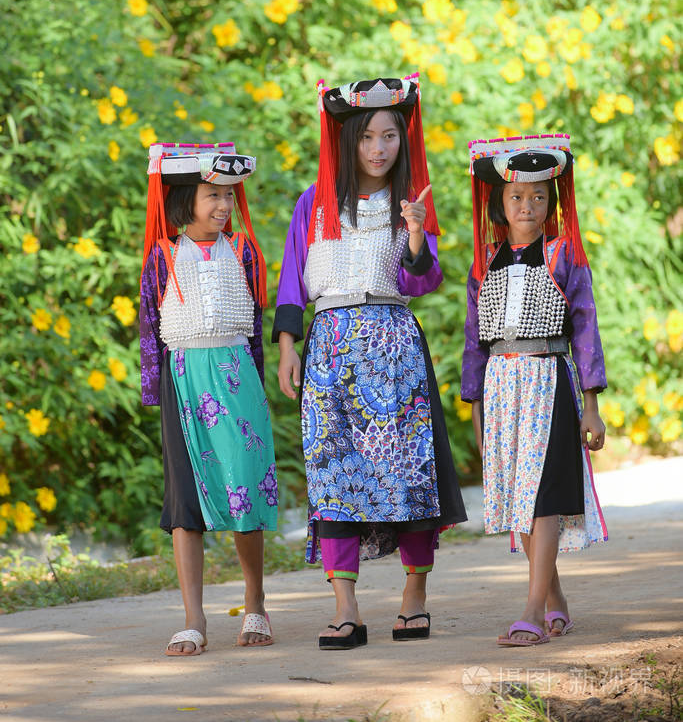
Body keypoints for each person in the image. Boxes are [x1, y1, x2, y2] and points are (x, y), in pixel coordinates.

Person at [274, 75, 466, 650]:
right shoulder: (313, 203)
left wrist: (413, 234)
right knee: (333, 476)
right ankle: (346, 608)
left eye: (390, 136)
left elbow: (424, 279)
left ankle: (414, 598)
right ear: (347, 141)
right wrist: (288, 346)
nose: (379, 148)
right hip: (329, 348)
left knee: (408, 476)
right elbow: (290, 282)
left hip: (394, 348)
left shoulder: (410, 206)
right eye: (367, 137)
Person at [461, 133, 608, 647]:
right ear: (499, 203)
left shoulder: (564, 253)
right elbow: (473, 341)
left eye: (539, 195)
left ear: (553, 200)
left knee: (542, 494)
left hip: (548, 381)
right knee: (518, 502)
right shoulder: (486, 261)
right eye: (517, 196)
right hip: (502, 388)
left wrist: (591, 405)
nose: (528, 205)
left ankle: (529, 609)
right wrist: (475, 407)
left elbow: (585, 327)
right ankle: (554, 599)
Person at [139, 142, 277, 656]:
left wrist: (258, 387)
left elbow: (256, 328)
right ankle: (193, 617)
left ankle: (256, 601)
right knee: (184, 499)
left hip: (237, 377)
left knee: (244, 482)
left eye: (228, 195)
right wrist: (156, 395)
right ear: (183, 200)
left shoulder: (243, 251)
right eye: (211, 194)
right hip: (183, 381)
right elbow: (150, 330)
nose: (223, 205)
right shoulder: (162, 255)